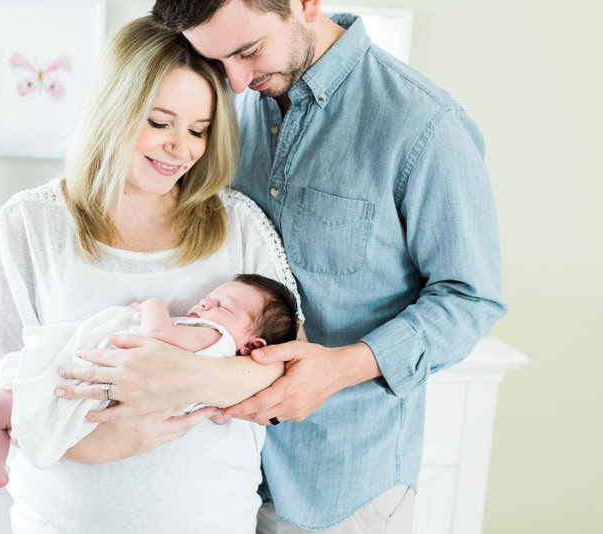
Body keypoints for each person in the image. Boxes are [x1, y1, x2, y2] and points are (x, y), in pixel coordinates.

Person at [59, 1, 507, 533]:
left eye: (248, 52)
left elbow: (470, 299)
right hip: (208, 479)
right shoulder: (218, 104)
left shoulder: (423, 125)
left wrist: (340, 367)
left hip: (340, 485)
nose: (238, 82)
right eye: (219, 60)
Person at [0, 15, 302, 534]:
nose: (180, 148)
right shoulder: (30, 224)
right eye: (159, 123)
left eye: (199, 130)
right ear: (114, 108)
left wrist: (184, 380)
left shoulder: (240, 226)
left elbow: (289, 377)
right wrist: (98, 445)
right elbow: (3, 390)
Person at [0, 274, 298, 488]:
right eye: (209, 298)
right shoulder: (220, 360)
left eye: (223, 306)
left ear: (253, 344)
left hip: (101, 391)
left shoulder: (213, 336)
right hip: (110, 389)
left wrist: (152, 303)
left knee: (8, 398)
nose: (205, 305)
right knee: (15, 378)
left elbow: (158, 330)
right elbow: (219, 409)